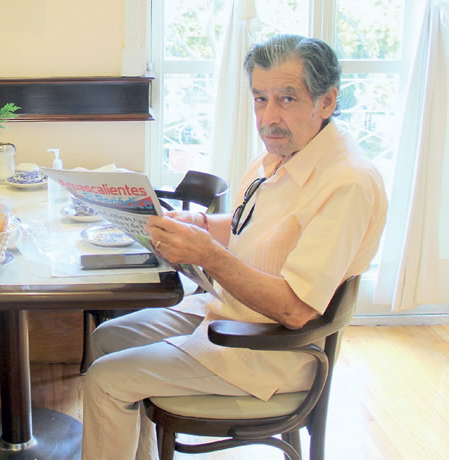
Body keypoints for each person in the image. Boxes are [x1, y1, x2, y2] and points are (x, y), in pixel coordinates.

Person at [80, 35, 388, 459]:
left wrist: (206, 253)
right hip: (226, 312)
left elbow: (295, 310)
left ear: (327, 101)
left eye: (286, 99)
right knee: (108, 339)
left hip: (269, 350)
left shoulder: (347, 184)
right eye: (260, 99)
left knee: (104, 379)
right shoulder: (285, 154)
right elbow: (255, 227)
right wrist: (202, 223)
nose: (268, 118)